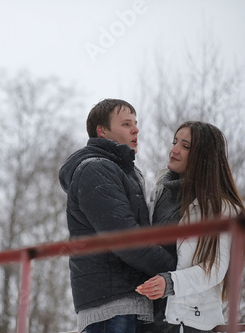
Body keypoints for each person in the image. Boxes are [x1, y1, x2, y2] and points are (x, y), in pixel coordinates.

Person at [59, 99, 176, 333]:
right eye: (125, 124)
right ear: (102, 131)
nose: (136, 129)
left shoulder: (123, 171)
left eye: (135, 123)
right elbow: (127, 239)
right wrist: (178, 271)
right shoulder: (96, 170)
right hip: (111, 306)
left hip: (129, 302)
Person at [136, 121, 245, 332]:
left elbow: (214, 269)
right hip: (150, 318)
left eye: (185, 146)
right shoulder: (161, 193)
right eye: (175, 142)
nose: (174, 150)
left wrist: (171, 282)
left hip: (189, 321)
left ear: (203, 157)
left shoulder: (221, 208)